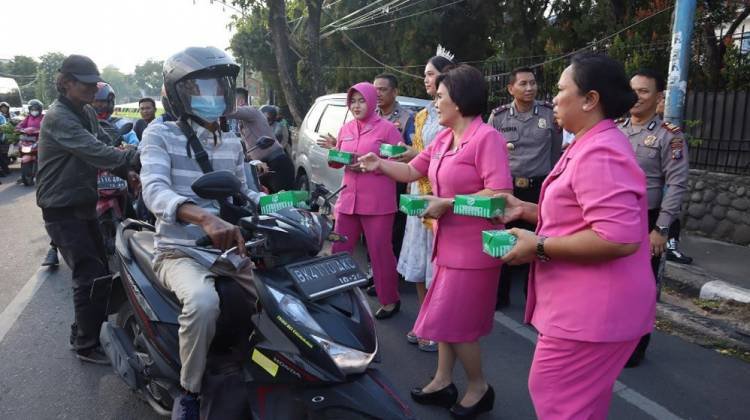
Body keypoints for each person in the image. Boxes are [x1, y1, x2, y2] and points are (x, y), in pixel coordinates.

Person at [497, 52, 655, 419]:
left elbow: (617, 238)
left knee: (558, 400)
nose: (551, 97)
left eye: (560, 89)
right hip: (587, 309)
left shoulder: (600, 151)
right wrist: (525, 209)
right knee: (579, 405)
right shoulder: (588, 143)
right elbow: (579, 217)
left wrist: (538, 246)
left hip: (593, 314)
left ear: (590, 99)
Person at [359, 64, 513, 418]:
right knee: (443, 319)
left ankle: (479, 387)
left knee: (457, 325)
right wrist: (379, 164)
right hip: (446, 244)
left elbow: (500, 196)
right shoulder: (444, 137)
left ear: (459, 100)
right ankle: (444, 380)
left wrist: (450, 203)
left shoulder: (485, 138)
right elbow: (413, 171)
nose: (436, 102)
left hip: (476, 249)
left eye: (441, 96)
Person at [140, 46, 260, 420]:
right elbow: (154, 190)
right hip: (179, 249)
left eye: (218, 86)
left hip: (228, 248)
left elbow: (245, 191)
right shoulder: (159, 136)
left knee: (274, 300)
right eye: (201, 88)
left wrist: (287, 205)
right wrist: (203, 218)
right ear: (178, 93)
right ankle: (189, 390)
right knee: (204, 304)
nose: (212, 95)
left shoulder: (231, 140)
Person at [36, 54, 139, 364]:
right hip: (60, 207)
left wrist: (130, 165)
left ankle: (84, 329)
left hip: (84, 202)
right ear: (67, 83)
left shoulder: (87, 112)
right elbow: (93, 149)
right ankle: (86, 344)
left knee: (101, 272)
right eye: (88, 84)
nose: (95, 89)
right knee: (90, 273)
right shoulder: (58, 117)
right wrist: (134, 161)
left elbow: (108, 141)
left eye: (96, 84)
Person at [618, 68, 689, 367]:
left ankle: (637, 346)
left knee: (642, 287)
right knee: (614, 284)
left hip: (649, 222)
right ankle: (614, 339)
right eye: (632, 89)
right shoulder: (616, 128)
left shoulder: (668, 136)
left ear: (659, 97)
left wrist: (661, 228)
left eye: (644, 91)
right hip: (616, 219)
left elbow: (676, 184)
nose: (636, 96)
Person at [317, 82, 403, 319]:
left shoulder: (387, 129)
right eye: (352, 101)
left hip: (377, 202)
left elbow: (401, 162)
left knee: (380, 252)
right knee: (338, 249)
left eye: (361, 100)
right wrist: (335, 155)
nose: (356, 105)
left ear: (372, 101)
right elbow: (336, 161)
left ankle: (390, 300)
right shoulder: (345, 129)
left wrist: (372, 167)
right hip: (348, 200)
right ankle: (336, 295)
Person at [390, 49, 454, 353]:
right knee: (417, 261)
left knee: (435, 263)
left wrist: (416, 156)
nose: (425, 79)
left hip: (438, 193)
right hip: (418, 189)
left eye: (430, 73)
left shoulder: (453, 114)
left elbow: (446, 157)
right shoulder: (424, 114)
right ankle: (423, 321)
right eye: (426, 74)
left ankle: (438, 327)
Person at [488, 66, 562, 309]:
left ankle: (535, 299)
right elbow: (491, 156)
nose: (529, 88)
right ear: (511, 88)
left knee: (537, 246)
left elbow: (555, 154)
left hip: (538, 189)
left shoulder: (550, 114)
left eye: (532, 83)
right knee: (504, 241)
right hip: (507, 189)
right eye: (523, 84)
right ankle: (499, 296)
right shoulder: (498, 117)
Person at [373, 73, 415, 268]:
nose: (377, 93)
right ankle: (374, 269)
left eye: (383, 89)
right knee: (372, 226)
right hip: (373, 178)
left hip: (396, 178)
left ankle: (392, 269)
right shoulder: (370, 115)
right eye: (375, 90)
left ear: (395, 92)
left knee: (395, 226)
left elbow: (415, 150)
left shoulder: (407, 118)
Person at [227, 105, 295, 192]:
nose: (240, 103)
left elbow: (232, 111)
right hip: (260, 167)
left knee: (283, 202)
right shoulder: (242, 125)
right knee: (263, 202)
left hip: (276, 163)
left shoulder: (253, 112)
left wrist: (212, 107)